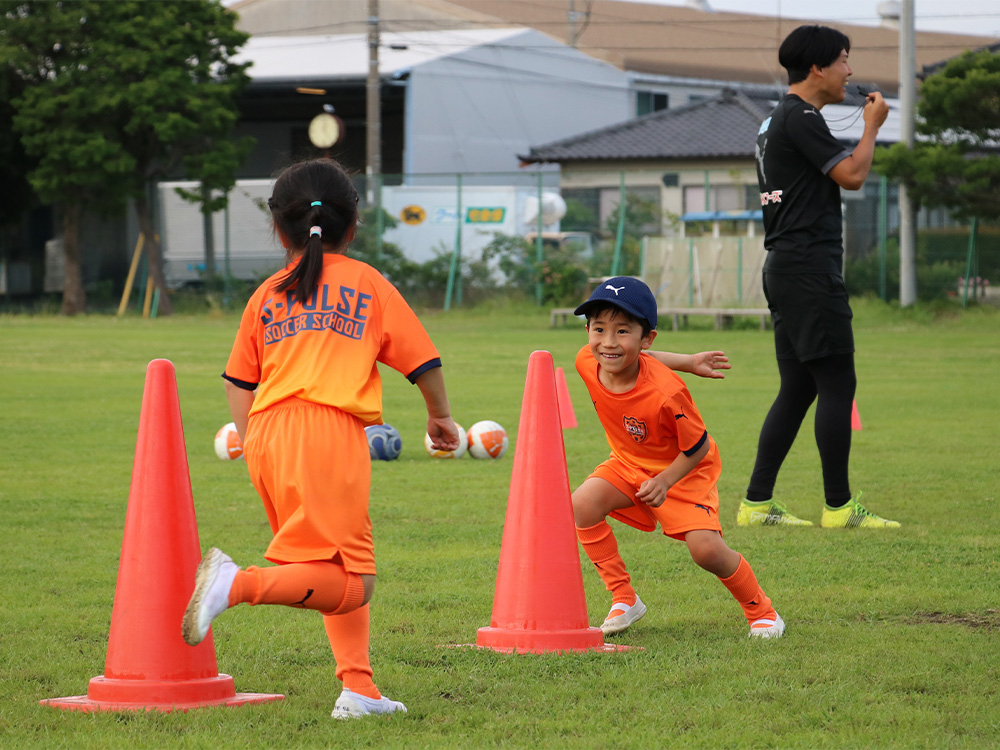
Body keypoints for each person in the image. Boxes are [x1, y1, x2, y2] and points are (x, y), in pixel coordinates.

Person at [181, 158, 460, 719]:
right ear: (352, 225)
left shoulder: (268, 293)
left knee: (333, 564)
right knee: (355, 583)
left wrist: (253, 440)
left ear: (278, 228)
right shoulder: (368, 282)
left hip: (267, 435)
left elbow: (239, 379)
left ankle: (359, 689)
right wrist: (440, 417)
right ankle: (235, 584)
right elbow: (422, 359)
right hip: (328, 435)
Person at [738, 25, 899, 529]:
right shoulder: (802, 117)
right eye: (844, 61)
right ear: (818, 68)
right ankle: (840, 507)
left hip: (785, 266)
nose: (849, 72)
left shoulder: (774, 121)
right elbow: (851, 177)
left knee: (799, 388)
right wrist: (872, 127)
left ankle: (756, 504)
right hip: (808, 268)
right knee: (836, 381)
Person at [571, 276, 783, 638]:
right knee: (581, 505)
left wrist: (666, 481)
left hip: (684, 473)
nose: (608, 342)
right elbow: (638, 357)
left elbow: (699, 446)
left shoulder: (666, 393)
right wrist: (687, 359)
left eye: (623, 331)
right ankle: (624, 597)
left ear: (646, 337)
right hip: (628, 462)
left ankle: (762, 612)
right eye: (599, 329)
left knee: (706, 551)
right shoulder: (586, 362)